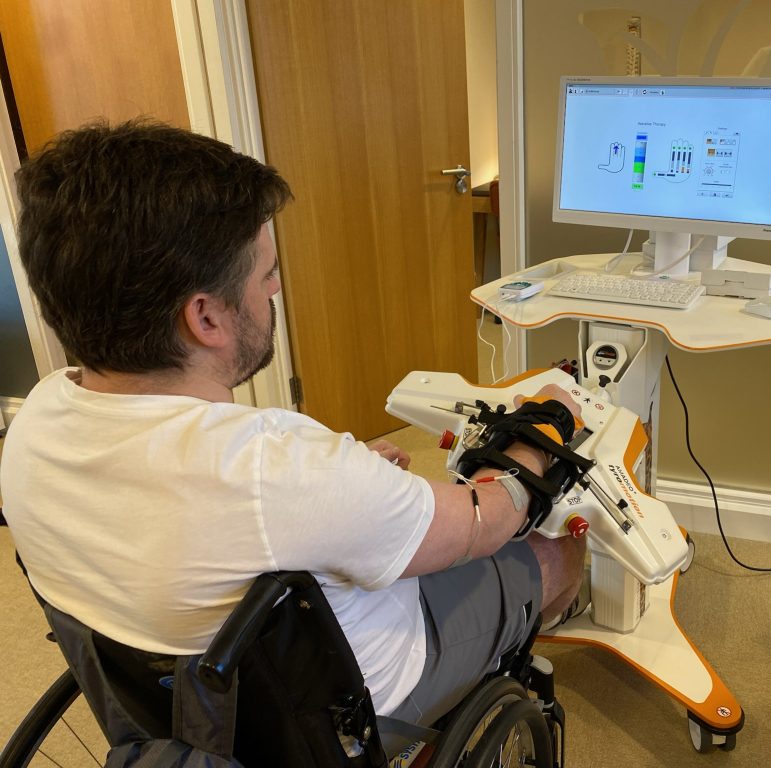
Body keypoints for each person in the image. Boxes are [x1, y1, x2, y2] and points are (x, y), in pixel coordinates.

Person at [0, 120, 586, 731]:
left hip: (173, 706)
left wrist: (351, 490)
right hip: (356, 706)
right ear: (205, 317)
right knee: (557, 546)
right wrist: (539, 433)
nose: (276, 287)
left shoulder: (35, 420)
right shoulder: (281, 469)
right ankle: (499, 662)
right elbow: (483, 523)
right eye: (265, 274)